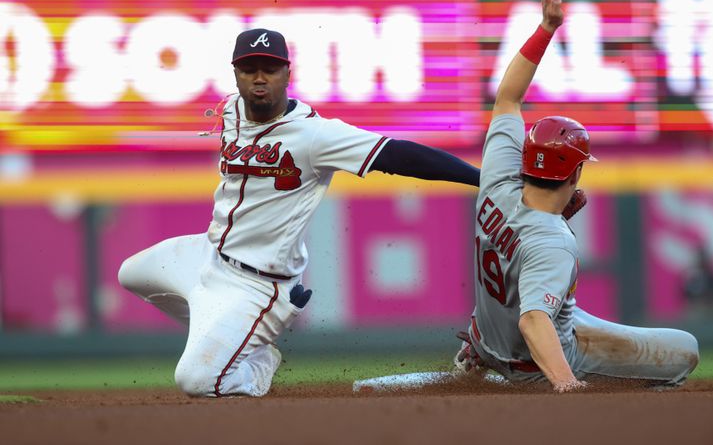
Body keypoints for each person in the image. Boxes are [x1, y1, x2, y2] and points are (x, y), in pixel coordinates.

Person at [118, 27, 480, 397]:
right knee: (131, 273)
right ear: (235, 74)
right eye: (249, 68)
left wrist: (482, 178)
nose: (259, 77)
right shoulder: (231, 110)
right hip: (209, 255)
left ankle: (252, 365)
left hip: (258, 284)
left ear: (288, 74)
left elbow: (397, 154)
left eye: (270, 68)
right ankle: (237, 342)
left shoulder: (315, 135)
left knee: (196, 381)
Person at [453, 0, 699, 393]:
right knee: (684, 352)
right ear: (575, 173)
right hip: (531, 359)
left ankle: (477, 353)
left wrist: (545, 28)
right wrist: (566, 384)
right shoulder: (552, 241)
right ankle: (551, 390)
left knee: (560, 307)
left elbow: (508, 98)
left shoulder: (496, 178)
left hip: (489, 332)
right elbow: (534, 321)